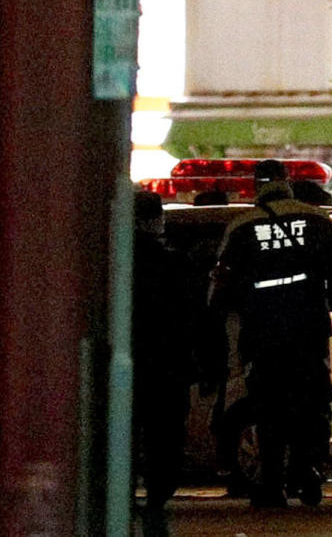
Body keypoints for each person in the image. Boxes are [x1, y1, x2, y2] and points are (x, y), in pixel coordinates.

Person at [208, 159, 332, 508]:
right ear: (286, 181)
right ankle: (308, 471)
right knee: (314, 402)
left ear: (256, 185)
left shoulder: (243, 224)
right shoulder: (316, 220)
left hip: (262, 332)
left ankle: (273, 483)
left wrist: (214, 322)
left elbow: (221, 283)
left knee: (268, 407)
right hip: (308, 327)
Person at [132, 190, 216, 536]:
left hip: (130, 362)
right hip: (170, 364)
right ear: (157, 221)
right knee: (165, 433)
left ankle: (126, 490)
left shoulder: (108, 261)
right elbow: (200, 318)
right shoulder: (177, 264)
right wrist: (210, 363)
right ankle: (157, 495)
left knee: (128, 428)